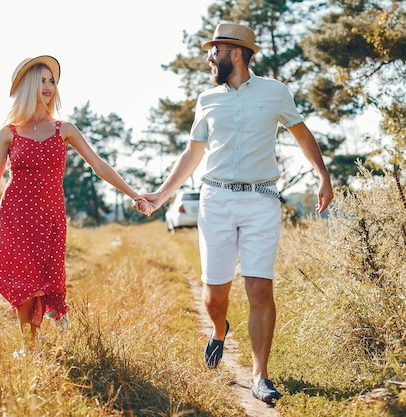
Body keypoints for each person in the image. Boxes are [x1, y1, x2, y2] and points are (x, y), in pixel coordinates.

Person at [133, 23, 333, 403]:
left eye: (215, 51)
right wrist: (160, 195)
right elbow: (193, 154)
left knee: (259, 287)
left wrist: (323, 176)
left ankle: (260, 376)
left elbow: (302, 135)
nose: (210, 57)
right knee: (215, 295)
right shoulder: (207, 99)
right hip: (217, 200)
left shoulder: (275, 92)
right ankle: (219, 329)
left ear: (236, 53)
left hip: (261, 199)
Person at [0, 55, 140, 353]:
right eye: (42, 80)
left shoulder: (64, 129)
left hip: (48, 217)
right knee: (18, 277)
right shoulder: (8, 133)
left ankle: (42, 328)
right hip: (14, 215)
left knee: (42, 278)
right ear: (28, 86)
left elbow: (99, 166)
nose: (49, 86)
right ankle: (30, 348)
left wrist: (133, 194)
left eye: (52, 80)